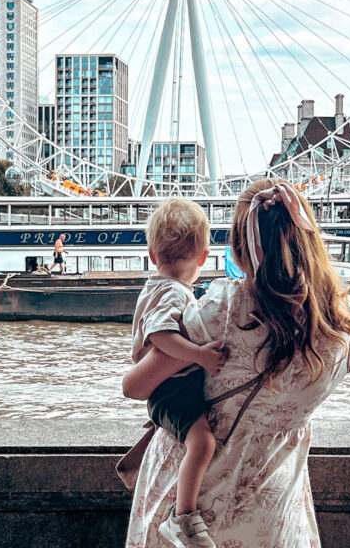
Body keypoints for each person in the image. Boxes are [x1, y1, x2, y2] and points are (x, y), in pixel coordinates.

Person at [123, 180, 350, 548]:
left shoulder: (223, 312)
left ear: (238, 248)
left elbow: (136, 386)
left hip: (189, 511)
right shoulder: (339, 328)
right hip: (275, 508)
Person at [128, 198, 227, 548]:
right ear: (203, 257)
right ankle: (182, 517)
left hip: (170, 387)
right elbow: (160, 336)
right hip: (170, 390)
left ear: (153, 255)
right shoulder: (170, 292)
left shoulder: (160, 287)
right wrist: (199, 355)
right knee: (202, 443)